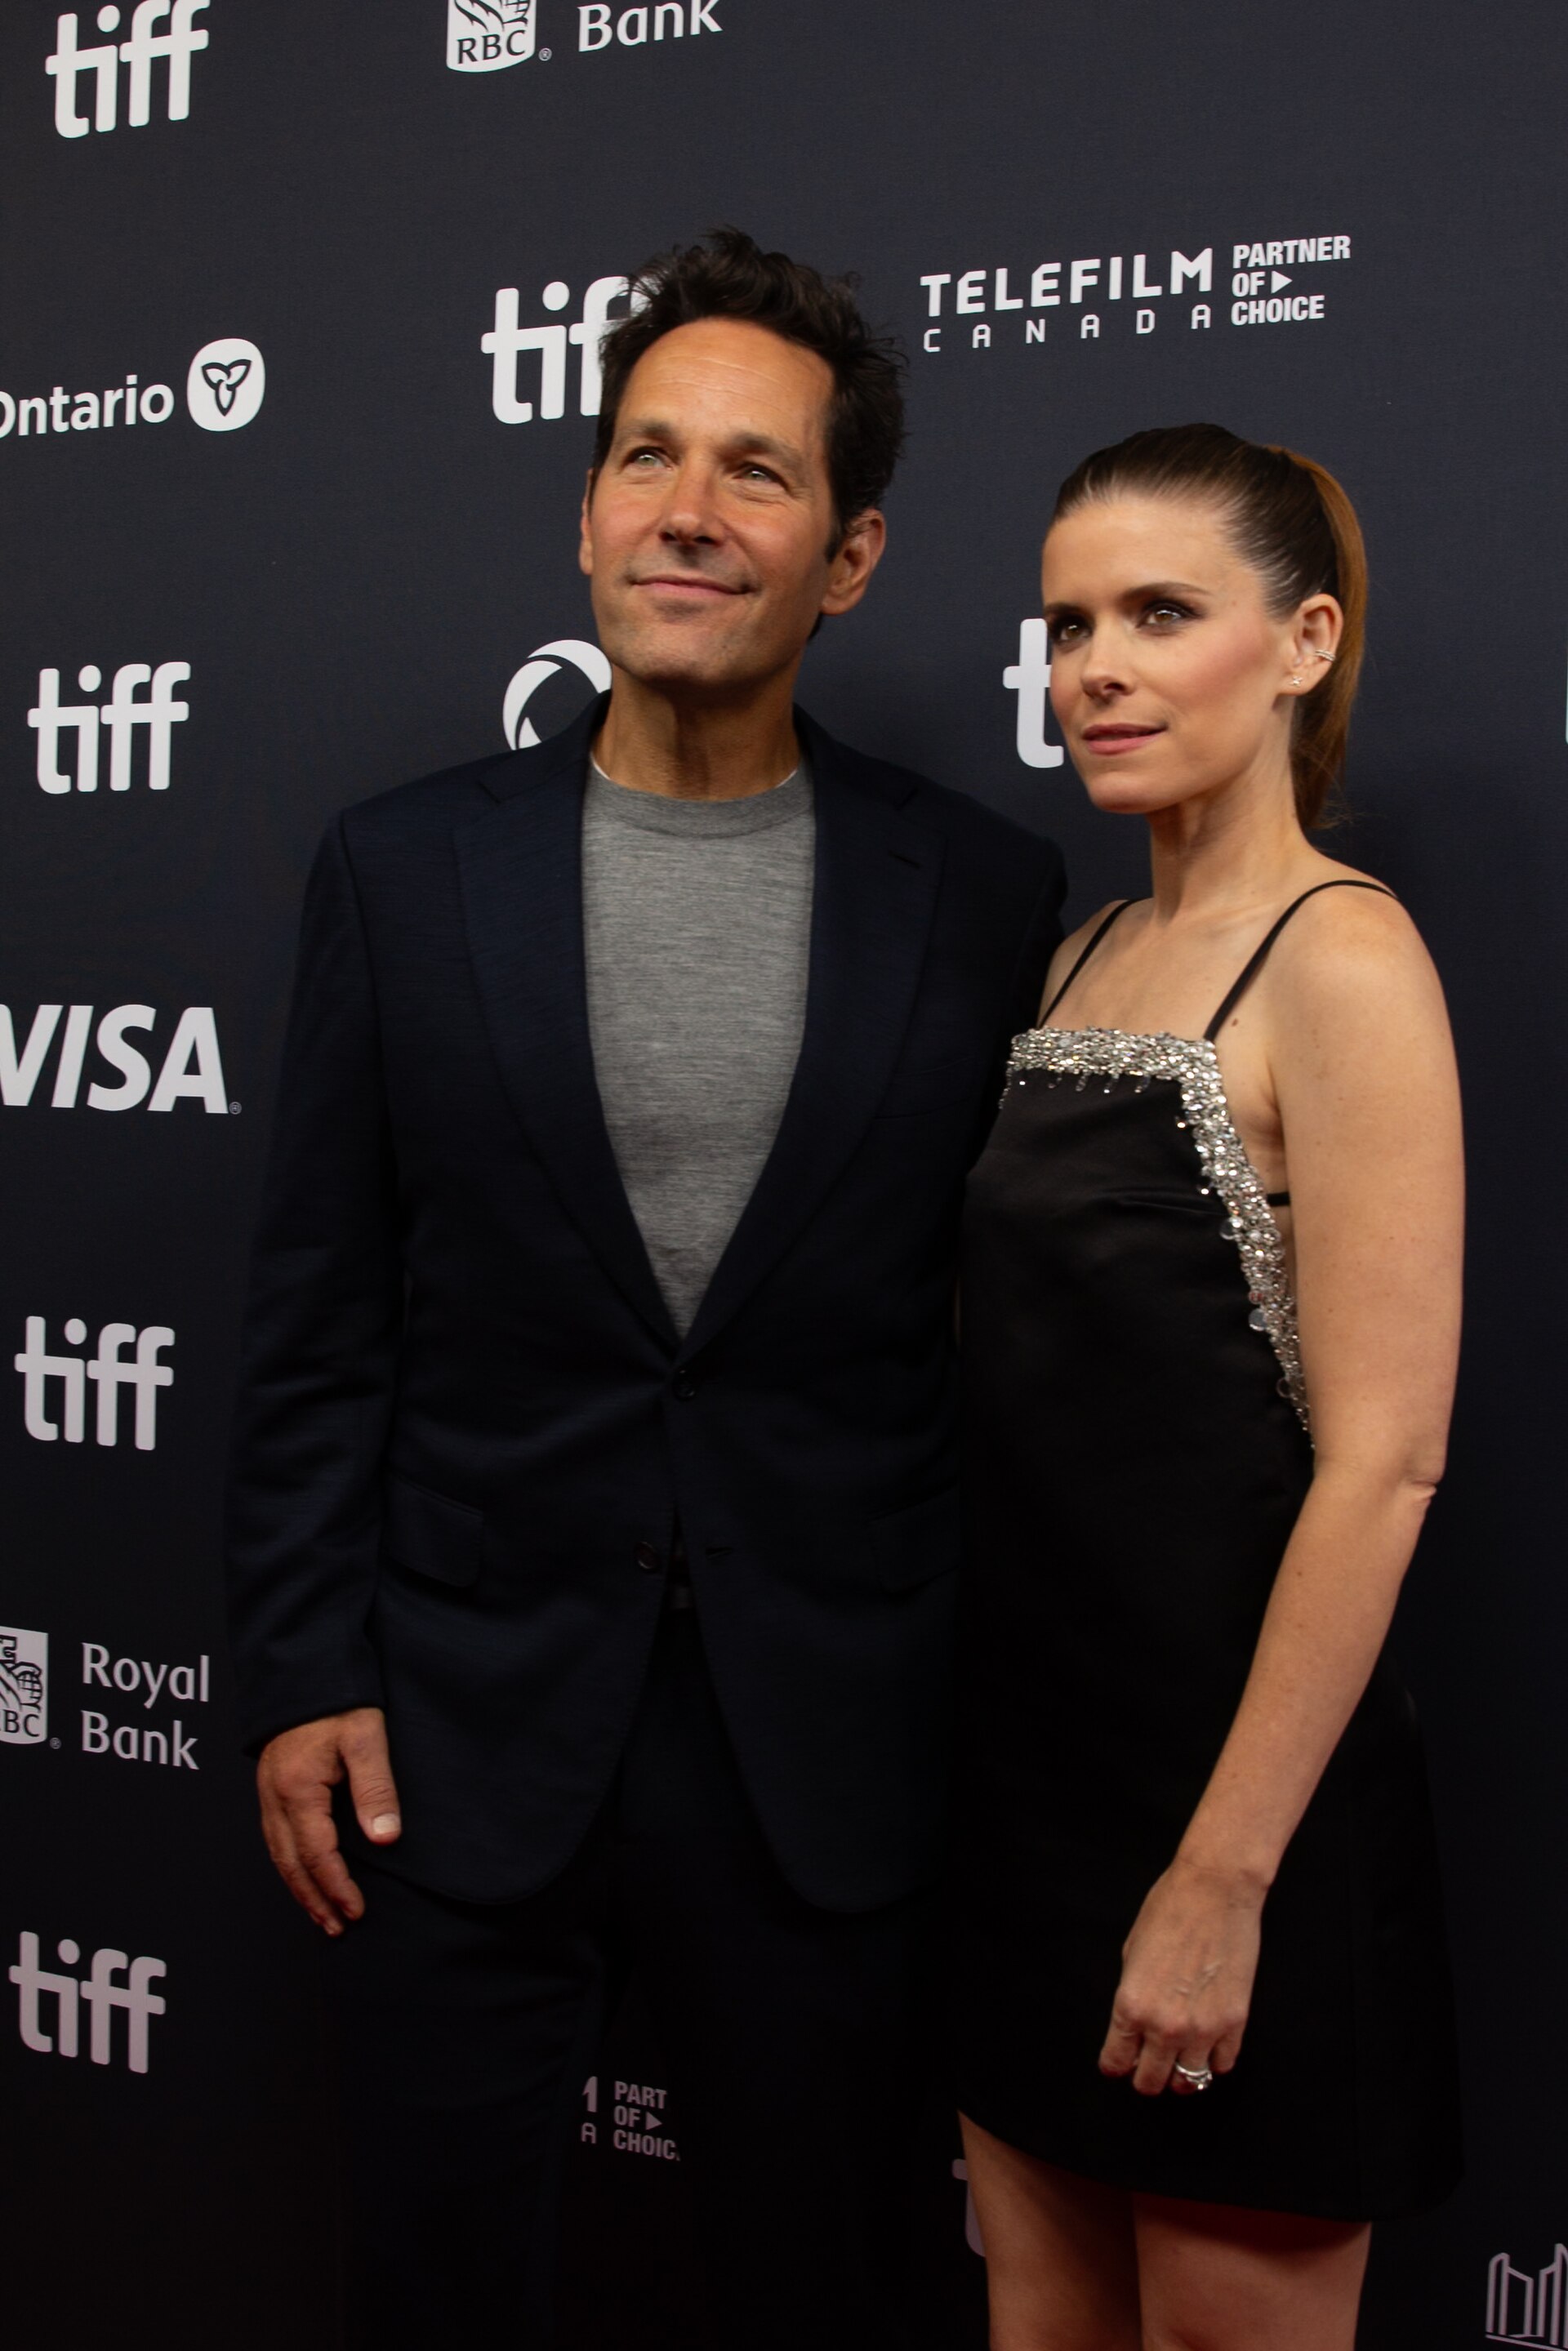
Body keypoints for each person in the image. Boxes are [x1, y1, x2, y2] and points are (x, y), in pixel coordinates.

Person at [224, 228, 1065, 2349]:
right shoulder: (403, 872)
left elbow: (1002, 1350)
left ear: (850, 553)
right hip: (457, 1727)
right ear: (588, 504)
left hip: (826, 1754)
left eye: (757, 473)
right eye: (646, 457)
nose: (688, 510)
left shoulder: (978, 895)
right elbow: (321, 1309)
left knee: (829, 2294)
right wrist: (307, 1659)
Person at [953, 423, 1463, 2350]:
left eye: (1162, 613)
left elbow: (1388, 1466)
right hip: (1024, 1801)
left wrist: (1221, 1878)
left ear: (1306, 641)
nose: (1096, 666)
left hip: (1244, 1816)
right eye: (1071, 621)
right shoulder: (1081, 951)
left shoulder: (1345, 961)